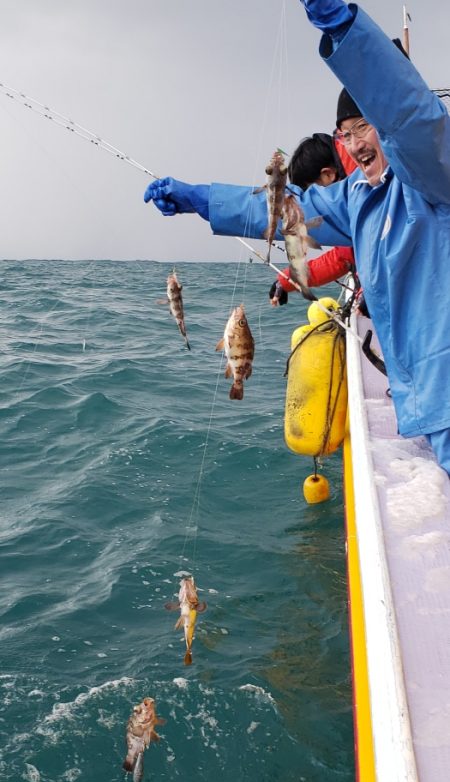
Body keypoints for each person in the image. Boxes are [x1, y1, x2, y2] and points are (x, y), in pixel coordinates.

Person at [143, 0, 450, 475]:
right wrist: (201, 199)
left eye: (364, 126)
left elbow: (410, 117)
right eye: (345, 134)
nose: (355, 144)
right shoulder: (358, 196)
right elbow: (284, 210)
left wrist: (345, 30)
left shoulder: (434, 173)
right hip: (430, 404)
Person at [269, 131, 356, 306]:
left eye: (313, 195)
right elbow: (344, 256)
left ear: (328, 174)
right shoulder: (354, 198)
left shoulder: (370, 189)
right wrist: (286, 280)